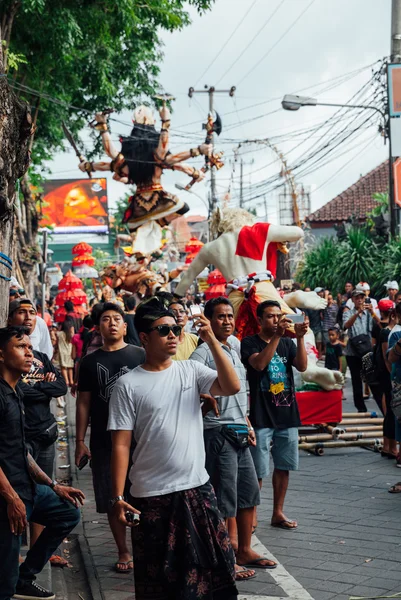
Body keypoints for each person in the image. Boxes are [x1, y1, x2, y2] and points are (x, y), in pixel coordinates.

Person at [108, 296, 240, 600]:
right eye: (163, 330)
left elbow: (231, 386)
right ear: (144, 337)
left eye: (175, 329)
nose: (172, 335)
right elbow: (121, 444)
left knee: (215, 571)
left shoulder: (189, 371)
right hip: (151, 496)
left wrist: (210, 340)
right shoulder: (127, 385)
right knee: (163, 581)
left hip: (197, 488)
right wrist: (117, 497)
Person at [190, 297, 276, 580]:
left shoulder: (236, 345)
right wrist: (203, 398)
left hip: (241, 429)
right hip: (217, 432)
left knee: (249, 494)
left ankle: (245, 549)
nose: (226, 321)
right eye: (220, 317)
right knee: (225, 499)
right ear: (208, 321)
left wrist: (248, 422)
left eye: (229, 316)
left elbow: (239, 392)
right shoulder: (202, 354)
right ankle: (225, 558)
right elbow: (189, 387)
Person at [0, 326, 84, 600]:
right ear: (1, 354)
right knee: (3, 583)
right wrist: (11, 498)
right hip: (8, 498)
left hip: (27, 488)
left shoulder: (17, 392)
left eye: (29, 347)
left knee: (68, 513)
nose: (30, 354)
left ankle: (26, 578)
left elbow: (20, 450)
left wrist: (53, 485)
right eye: (21, 347)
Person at [75, 302, 145, 573]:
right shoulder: (90, 362)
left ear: (126, 327)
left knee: (142, 494)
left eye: (117, 319)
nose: (112, 323)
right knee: (113, 497)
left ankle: (144, 547)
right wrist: (80, 441)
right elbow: (83, 403)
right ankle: (123, 550)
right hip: (104, 441)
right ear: (99, 327)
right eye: (106, 319)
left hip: (141, 440)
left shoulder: (140, 355)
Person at [241, 300, 308, 531]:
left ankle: (278, 512)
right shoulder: (249, 342)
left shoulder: (288, 343)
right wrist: (278, 336)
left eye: (279, 316)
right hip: (261, 415)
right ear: (259, 320)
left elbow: (302, 366)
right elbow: (259, 365)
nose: (276, 320)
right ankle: (253, 513)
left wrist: (299, 338)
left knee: (284, 465)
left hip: (287, 414)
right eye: (270, 316)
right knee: (257, 470)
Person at [8, 308, 68, 564]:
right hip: (21, 438)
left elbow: (61, 387)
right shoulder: (9, 364)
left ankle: (39, 551)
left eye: (32, 312)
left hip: (45, 434)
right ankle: (16, 555)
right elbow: (19, 390)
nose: (29, 317)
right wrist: (43, 388)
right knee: (19, 496)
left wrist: (37, 386)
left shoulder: (41, 357)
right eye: (22, 312)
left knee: (45, 492)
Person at [369, 300, 398, 459]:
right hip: (388, 376)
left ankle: (388, 445)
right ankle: (390, 446)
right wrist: (393, 377)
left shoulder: (386, 330)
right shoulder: (386, 332)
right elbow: (388, 358)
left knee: (390, 411)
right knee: (392, 412)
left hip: (387, 375)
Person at [343, 290, 379, 412]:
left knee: (372, 378)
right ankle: (361, 408)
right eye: (357, 298)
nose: (359, 300)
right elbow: (346, 326)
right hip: (352, 353)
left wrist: (372, 312)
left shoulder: (369, 314)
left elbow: (380, 325)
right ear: (352, 299)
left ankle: (382, 406)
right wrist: (357, 312)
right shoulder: (348, 313)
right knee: (356, 380)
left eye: (361, 298)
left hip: (367, 352)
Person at [56, 318, 75, 386]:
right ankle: (71, 381)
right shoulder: (71, 335)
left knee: (63, 367)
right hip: (69, 352)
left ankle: (66, 381)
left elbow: (56, 343)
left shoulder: (59, 334)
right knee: (70, 367)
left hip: (62, 352)